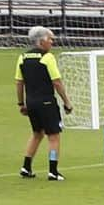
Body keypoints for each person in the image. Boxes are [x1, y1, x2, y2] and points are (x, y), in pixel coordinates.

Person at [16, 25, 72, 180]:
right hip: (46, 101)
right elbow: (57, 82)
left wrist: (21, 103)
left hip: (31, 102)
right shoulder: (47, 58)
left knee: (37, 134)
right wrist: (67, 102)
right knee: (53, 136)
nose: (52, 42)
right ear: (41, 41)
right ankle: (53, 171)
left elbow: (19, 82)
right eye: (50, 39)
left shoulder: (22, 57)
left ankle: (26, 167)